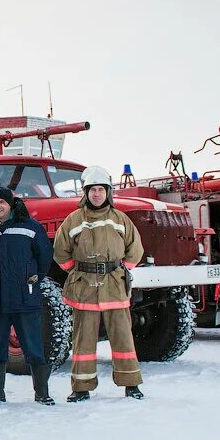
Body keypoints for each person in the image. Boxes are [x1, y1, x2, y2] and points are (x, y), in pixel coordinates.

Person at [53, 166, 145, 401]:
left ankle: (131, 383)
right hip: (84, 287)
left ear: (107, 192)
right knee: (82, 340)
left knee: (123, 337)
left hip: (114, 285)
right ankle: (81, 387)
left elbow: (135, 250)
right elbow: (60, 252)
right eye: (92, 190)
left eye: (100, 190)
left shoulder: (120, 218)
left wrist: (120, 270)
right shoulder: (73, 219)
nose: (96, 194)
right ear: (86, 193)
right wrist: (77, 272)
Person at [0, 187, 55, 405]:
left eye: (2, 202)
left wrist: (34, 277)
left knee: (34, 348)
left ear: (11, 205)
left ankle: (42, 392)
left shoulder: (30, 227)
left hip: (25, 299)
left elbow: (44, 256)